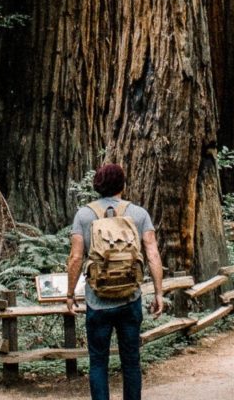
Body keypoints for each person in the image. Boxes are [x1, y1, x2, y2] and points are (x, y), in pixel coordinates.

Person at [66, 163, 166, 400]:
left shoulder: (84, 215)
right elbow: (152, 254)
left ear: (97, 185)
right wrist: (159, 293)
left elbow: (76, 257)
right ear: (123, 185)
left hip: (97, 301)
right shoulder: (139, 214)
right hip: (130, 299)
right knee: (131, 361)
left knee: (98, 362)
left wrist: (70, 294)